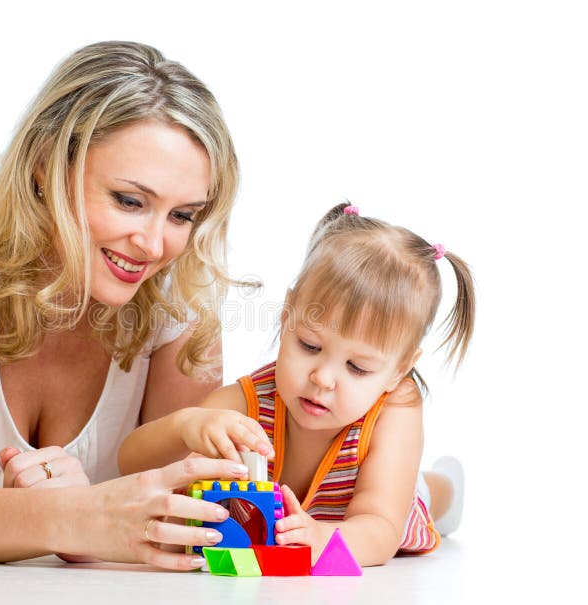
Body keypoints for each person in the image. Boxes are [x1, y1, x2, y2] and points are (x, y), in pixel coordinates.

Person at [0, 40, 256, 569]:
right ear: (47, 164)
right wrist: (74, 514)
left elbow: (188, 513)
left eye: (183, 215)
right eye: (129, 201)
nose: (155, 244)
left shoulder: (183, 281)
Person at [118, 202, 473, 567]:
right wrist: (184, 426)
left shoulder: (395, 408)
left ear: (399, 369)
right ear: (287, 316)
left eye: (357, 367)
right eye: (309, 346)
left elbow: (380, 530)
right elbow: (129, 462)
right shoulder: (248, 402)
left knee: (426, 496)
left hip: (377, 508)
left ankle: (449, 486)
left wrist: (322, 537)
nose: (322, 378)